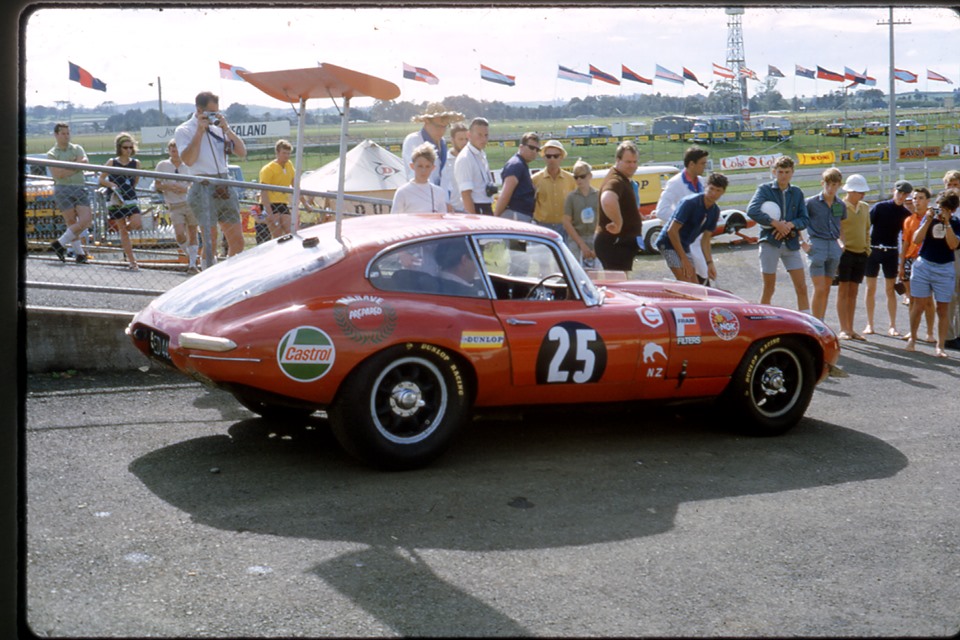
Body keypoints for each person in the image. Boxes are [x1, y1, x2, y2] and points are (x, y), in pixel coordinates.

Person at [174, 91, 247, 268]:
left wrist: (226, 128)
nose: (213, 116)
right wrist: (199, 131)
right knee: (210, 241)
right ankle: (208, 273)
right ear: (199, 110)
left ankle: (230, 276)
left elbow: (242, 152)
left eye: (216, 112)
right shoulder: (184, 130)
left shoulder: (218, 129)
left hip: (224, 184)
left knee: (237, 240)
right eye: (210, 112)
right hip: (203, 185)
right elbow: (188, 160)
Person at [746, 155, 810, 313]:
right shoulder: (764, 189)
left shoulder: (797, 192)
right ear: (774, 172)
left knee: (801, 286)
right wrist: (775, 223)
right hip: (770, 242)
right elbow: (752, 211)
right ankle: (762, 319)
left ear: (792, 172)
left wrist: (790, 225)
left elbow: (804, 219)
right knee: (769, 287)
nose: (784, 175)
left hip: (791, 243)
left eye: (787, 172)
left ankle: (807, 322)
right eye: (780, 172)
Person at [904, 188, 960, 358]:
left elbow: (953, 245)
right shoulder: (929, 219)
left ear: (952, 210)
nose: (941, 212)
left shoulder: (956, 222)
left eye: (946, 209)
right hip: (924, 265)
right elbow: (916, 240)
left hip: (944, 268)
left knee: (943, 308)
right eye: (940, 207)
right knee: (918, 305)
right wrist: (928, 221)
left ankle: (940, 345)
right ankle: (912, 339)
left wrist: (947, 222)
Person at [656, 172, 728, 283]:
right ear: (705, 187)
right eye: (711, 189)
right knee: (685, 280)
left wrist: (710, 263)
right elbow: (672, 230)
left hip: (684, 245)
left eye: (718, 191)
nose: (713, 193)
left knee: (694, 283)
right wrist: (683, 258)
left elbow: (705, 239)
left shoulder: (715, 211)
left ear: (723, 192)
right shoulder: (690, 203)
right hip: (668, 242)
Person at [863, 180, 913, 337]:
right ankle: (869, 324)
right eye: (899, 193)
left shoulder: (906, 214)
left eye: (905, 194)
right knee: (870, 288)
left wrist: (902, 259)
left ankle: (892, 325)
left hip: (891, 252)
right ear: (893, 191)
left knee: (890, 289)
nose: (901, 196)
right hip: (873, 250)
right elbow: (866, 226)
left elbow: (906, 238)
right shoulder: (880, 207)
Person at [655, 145, 710, 281]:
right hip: (671, 243)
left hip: (692, 242)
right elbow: (661, 210)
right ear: (691, 164)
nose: (705, 167)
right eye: (702, 164)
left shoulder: (701, 183)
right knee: (688, 284)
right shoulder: (675, 183)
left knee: (701, 282)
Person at [803, 167, 846, 321]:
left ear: (839, 186)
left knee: (826, 289)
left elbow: (840, 226)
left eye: (835, 185)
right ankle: (815, 322)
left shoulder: (839, 204)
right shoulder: (810, 203)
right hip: (817, 245)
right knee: (819, 288)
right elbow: (797, 222)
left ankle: (821, 322)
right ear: (823, 183)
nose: (831, 188)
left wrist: (842, 243)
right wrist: (803, 243)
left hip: (834, 247)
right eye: (828, 184)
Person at [47, 122, 93, 264]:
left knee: (86, 220)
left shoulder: (77, 148)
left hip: (79, 187)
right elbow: (57, 174)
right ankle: (79, 254)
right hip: (62, 188)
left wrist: (67, 168)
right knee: (71, 222)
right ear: (56, 135)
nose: (66, 136)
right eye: (63, 133)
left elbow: (84, 162)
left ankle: (59, 243)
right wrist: (75, 166)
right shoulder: (52, 154)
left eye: (68, 133)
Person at [835, 174, 872, 341]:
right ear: (850, 191)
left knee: (853, 292)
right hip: (845, 253)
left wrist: (867, 249)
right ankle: (843, 328)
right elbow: (834, 228)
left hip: (861, 254)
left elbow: (866, 230)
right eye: (859, 191)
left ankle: (851, 328)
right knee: (843, 291)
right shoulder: (839, 206)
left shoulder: (864, 207)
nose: (862, 194)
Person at [155, 138, 200, 274]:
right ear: (169, 151)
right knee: (180, 234)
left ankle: (192, 264)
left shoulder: (189, 165)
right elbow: (157, 184)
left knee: (192, 231)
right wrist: (168, 186)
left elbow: (196, 183)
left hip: (190, 202)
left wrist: (185, 189)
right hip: (174, 204)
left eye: (177, 149)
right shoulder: (162, 165)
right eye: (172, 149)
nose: (175, 151)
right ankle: (190, 254)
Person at [595, 141, 642, 272]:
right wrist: (618, 222)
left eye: (635, 162)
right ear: (618, 160)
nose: (632, 166)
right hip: (614, 244)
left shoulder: (622, 179)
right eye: (628, 162)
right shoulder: (616, 181)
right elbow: (608, 200)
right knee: (617, 287)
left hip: (619, 245)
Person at [98, 133, 142, 271]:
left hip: (130, 197)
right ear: (119, 148)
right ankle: (132, 260)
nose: (128, 150)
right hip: (116, 198)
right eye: (125, 147)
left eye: (130, 147)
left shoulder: (136, 163)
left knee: (136, 222)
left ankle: (127, 230)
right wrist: (111, 185)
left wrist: (129, 189)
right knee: (122, 230)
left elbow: (136, 180)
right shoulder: (112, 162)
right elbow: (101, 179)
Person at [900, 187, 935, 343]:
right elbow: (906, 243)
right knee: (912, 297)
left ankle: (929, 332)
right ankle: (912, 331)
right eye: (915, 198)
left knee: (927, 299)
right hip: (911, 260)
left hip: (928, 259)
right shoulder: (909, 220)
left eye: (921, 198)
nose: (917, 201)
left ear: (928, 200)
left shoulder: (934, 219)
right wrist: (901, 265)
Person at [402, 102, 464, 189]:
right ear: (427, 121)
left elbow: (444, 175)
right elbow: (415, 174)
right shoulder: (413, 140)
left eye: (445, 126)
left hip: (440, 196)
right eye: (438, 126)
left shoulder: (442, 142)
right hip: (420, 195)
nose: (442, 131)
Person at [532, 140, 576, 239]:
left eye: (556, 156)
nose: (552, 159)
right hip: (542, 227)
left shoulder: (571, 179)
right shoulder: (535, 180)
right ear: (544, 157)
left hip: (565, 228)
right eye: (548, 156)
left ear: (561, 157)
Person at [391, 142, 451, 213]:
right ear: (412, 166)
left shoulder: (439, 192)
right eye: (420, 166)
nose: (423, 170)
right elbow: (395, 219)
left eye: (427, 166)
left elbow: (441, 218)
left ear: (433, 168)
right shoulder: (402, 192)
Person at [494, 132, 539, 222]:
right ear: (521, 147)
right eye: (531, 147)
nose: (534, 151)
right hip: (516, 215)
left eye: (537, 149)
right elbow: (505, 195)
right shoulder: (516, 165)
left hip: (520, 214)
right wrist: (495, 218)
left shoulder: (521, 164)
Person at [455, 117, 495, 215]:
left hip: (486, 205)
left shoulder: (481, 154)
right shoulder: (465, 158)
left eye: (486, 135)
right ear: (469, 135)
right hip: (477, 208)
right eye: (479, 135)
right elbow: (465, 194)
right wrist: (474, 221)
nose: (484, 139)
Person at [563, 159, 599, 268]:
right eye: (576, 177)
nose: (579, 180)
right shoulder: (571, 197)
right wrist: (582, 244)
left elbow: (602, 221)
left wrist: (596, 246)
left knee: (599, 272)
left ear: (589, 176)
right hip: (577, 238)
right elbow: (566, 222)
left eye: (582, 176)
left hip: (594, 237)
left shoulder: (598, 195)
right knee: (576, 270)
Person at [259, 139, 298, 238]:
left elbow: (295, 186)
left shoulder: (289, 165)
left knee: (290, 231)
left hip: (283, 202)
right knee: (277, 234)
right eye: (284, 153)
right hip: (270, 203)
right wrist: (269, 212)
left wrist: (304, 204)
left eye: (288, 153)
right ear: (277, 153)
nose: (286, 156)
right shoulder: (268, 169)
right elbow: (263, 191)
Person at [941, 170, 960, 351]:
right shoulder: (942, 208)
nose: (953, 188)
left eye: (956, 185)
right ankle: (949, 335)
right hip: (949, 253)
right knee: (951, 295)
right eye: (950, 185)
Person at [441, 121, 469, 212]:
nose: (465, 142)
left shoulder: (472, 159)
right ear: (452, 140)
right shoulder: (444, 162)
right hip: (452, 211)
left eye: (467, 139)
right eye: (461, 139)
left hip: (471, 210)